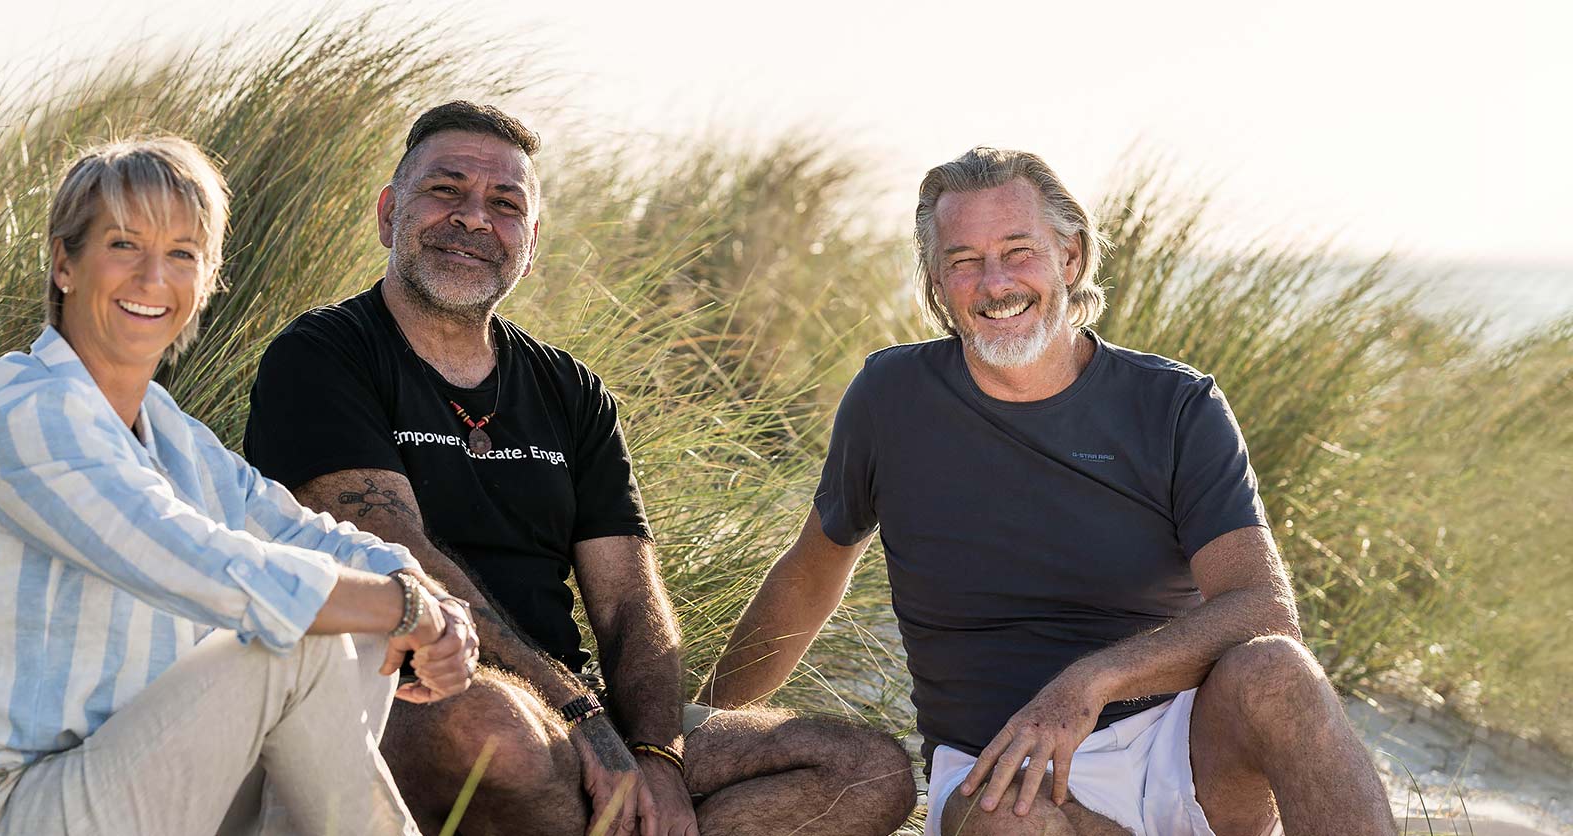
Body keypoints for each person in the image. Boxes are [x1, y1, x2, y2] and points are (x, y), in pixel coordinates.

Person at [244, 101, 916, 836]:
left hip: (573, 715)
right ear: (388, 214)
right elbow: (398, 554)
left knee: (867, 768)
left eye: (506, 204)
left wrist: (656, 753)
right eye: (445, 189)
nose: (473, 218)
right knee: (498, 730)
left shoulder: (569, 390)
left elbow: (629, 599)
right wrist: (580, 714)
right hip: (400, 694)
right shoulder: (322, 356)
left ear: (530, 243)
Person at [702, 146, 1397, 836]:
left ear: (1070, 257)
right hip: (1000, 769)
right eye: (964, 260)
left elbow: (1262, 608)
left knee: (1277, 670)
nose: (995, 282)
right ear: (937, 281)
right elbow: (810, 576)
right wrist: (700, 729)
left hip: (1179, 751)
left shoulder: (1175, 406)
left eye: (1018, 251)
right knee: (1006, 819)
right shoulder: (891, 398)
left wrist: (1089, 684)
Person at [0, 136, 478, 836]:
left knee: (346, 613)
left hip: (133, 787)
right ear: (64, 263)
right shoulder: (27, 411)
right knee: (303, 635)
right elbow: (205, 567)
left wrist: (424, 594)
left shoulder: (166, 427)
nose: (152, 278)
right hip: (2, 811)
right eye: (123, 245)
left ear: (206, 280)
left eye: (182, 254)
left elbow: (294, 531)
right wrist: (403, 605)